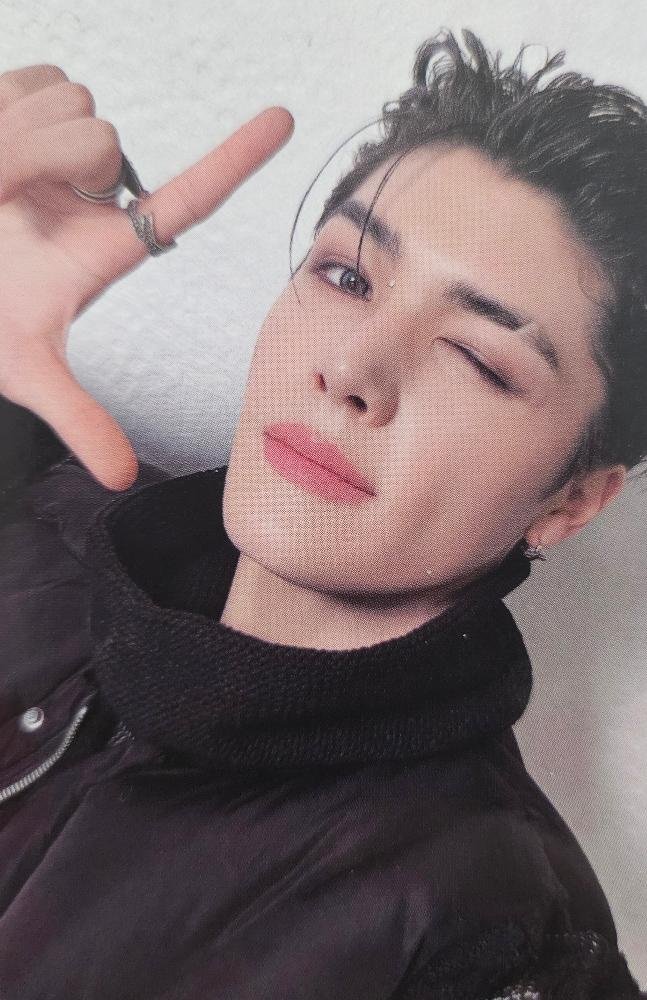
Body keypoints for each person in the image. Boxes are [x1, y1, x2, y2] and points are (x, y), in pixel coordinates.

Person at [0, 26, 645, 1000]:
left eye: (476, 357)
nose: (350, 367)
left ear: (571, 500)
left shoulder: (493, 939)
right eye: (346, 277)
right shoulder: (37, 510)